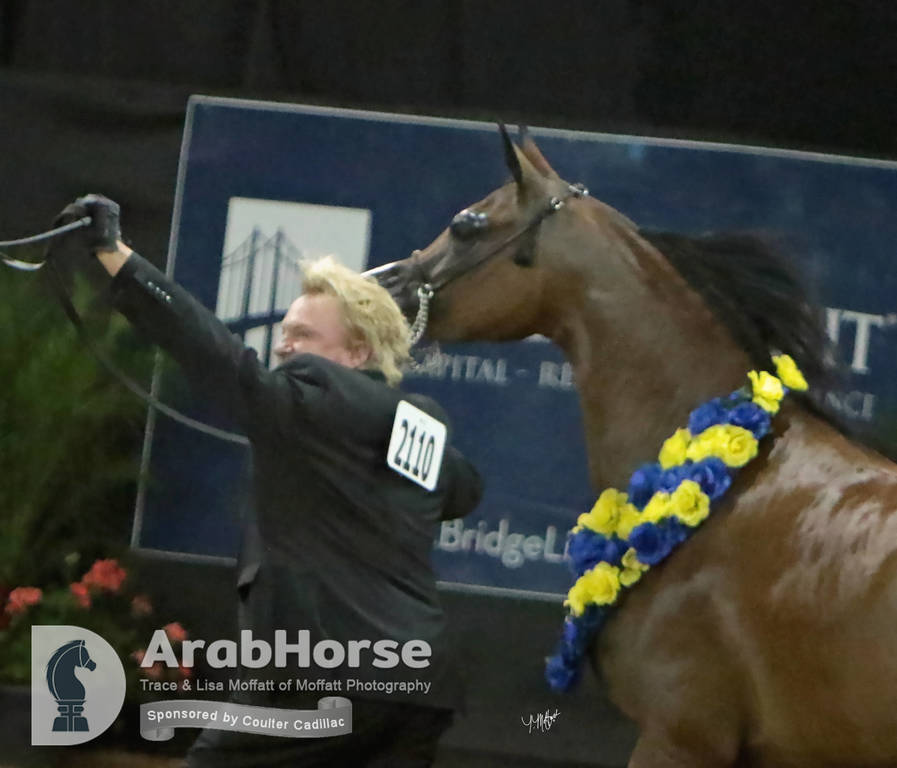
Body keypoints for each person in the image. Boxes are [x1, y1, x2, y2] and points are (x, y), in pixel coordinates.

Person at [55, 195, 483, 767]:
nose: (284, 346)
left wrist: (114, 255)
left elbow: (212, 351)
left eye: (302, 335)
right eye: (284, 332)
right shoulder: (416, 422)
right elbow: (464, 491)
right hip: (417, 687)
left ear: (357, 351)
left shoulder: (314, 396)